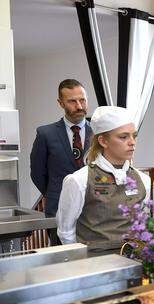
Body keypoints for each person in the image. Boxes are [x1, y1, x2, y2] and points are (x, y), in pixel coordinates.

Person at [56, 106, 151, 255]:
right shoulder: (79, 180)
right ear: (103, 141)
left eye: (134, 136)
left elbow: (143, 224)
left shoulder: (143, 180)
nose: (132, 142)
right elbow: (66, 232)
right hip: (94, 265)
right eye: (123, 137)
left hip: (134, 262)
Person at [30, 79, 92, 245]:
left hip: (93, 209)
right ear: (60, 103)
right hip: (57, 210)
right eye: (72, 101)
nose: (79, 106)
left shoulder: (100, 133)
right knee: (62, 263)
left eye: (83, 100)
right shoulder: (45, 134)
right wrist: (55, 192)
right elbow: (37, 173)